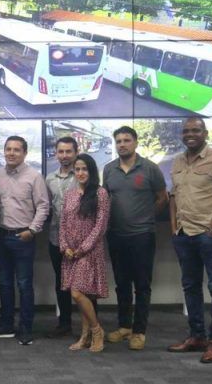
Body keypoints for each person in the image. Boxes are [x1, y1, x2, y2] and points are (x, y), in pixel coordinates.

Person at [167, 117, 212, 364]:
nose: (190, 134)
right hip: (184, 235)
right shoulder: (178, 161)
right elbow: (174, 196)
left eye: (195, 130)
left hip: (210, 236)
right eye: (186, 131)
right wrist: (174, 227)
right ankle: (197, 336)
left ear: (205, 133)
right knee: (190, 287)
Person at [102, 125, 168, 351]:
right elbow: (105, 199)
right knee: (121, 284)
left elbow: (162, 197)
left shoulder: (150, 168)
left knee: (142, 285)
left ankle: (139, 331)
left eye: (126, 140)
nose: (122, 144)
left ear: (136, 143)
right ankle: (124, 326)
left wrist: (147, 216)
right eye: (118, 141)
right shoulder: (109, 169)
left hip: (142, 236)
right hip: (116, 235)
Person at [0, 135, 49, 346]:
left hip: (23, 237)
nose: (11, 153)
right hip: (1, 235)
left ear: (24, 153)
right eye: (8, 149)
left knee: (24, 284)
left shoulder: (34, 176)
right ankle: (6, 324)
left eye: (16, 150)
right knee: (4, 283)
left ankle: (25, 328)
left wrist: (32, 230)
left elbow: (43, 206)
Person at [60, 154, 111, 353]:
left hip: (89, 252)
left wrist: (82, 249)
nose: (81, 173)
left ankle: (97, 331)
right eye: (77, 169)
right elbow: (63, 222)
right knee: (84, 295)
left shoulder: (100, 193)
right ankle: (85, 337)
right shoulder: (70, 194)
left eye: (85, 169)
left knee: (78, 292)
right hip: (70, 252)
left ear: (91, 171)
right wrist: (65, 246)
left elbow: (100, 226)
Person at [44, 136, 79, 338]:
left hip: (79, 241)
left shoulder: (83, 174)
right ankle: (64, 323)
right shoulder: (49, 178)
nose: (64, 155)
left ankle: (90, 325)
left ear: (76, 152)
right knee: (61, 282)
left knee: (84, 284)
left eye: (68, 151)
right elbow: (47, 206)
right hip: (56, 238)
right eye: (61, 152)